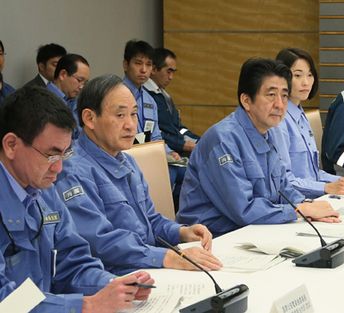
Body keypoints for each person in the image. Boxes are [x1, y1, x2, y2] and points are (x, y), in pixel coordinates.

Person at [0, 86, 153, 313]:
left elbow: (74, 263)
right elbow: (5, 301)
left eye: (65, 154)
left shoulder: (44, 189)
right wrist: (86, 305)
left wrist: (114, 286)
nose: (59, 167)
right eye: (51, 155)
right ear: (11, 145)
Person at [55, 74, 222, 275]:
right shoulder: (72, 172)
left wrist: (182, 232)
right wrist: (166, 257)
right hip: (114, 277)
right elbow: (101, 242)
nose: (131, 125)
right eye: (120, 115)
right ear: (89, 118)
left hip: (150, 265)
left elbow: (151, 220)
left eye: (134, 114)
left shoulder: (128, 160)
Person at [177, 58, 341, 237]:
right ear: (246, 100)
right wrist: (298, 210)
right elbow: (243, 209)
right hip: (213, 238)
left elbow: (283, 188)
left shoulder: (270, 132)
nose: (280, 104)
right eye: (271, 95)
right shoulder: (223, 140)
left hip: (256, 230)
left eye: (284, 95)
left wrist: (308, 206)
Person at [275, 48, 344, 198]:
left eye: (310, 75)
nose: (306, 82)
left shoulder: (301, 115)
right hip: (297, 203)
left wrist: (343, 180)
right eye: (297, 75)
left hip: (314, 198)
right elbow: (285, 181)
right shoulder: (279, 120)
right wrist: (327, 187)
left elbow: (312, 174)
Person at [122, 40, 186, 209]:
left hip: (147, 155)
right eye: (138, 63)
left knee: (180, 170)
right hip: (125, 157)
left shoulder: (150, 99)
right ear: (125, 64)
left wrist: (169, 152)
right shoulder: (115, 95)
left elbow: (155, 135)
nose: (143, 70)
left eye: (148, 65)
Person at [145, 48, 200, 155]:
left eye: (173, 73)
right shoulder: (146, 96)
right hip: (161, 153)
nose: (171, 77)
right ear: (154, 70)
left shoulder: (165, 96)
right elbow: (151, 132)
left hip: (176, 149)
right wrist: (181, 144)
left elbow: (178, 128)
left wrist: (197, 141)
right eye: (168, 72)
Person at [47, 53, 89, 138]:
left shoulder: (77, 101)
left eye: (85, 83)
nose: (82, 87)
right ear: (63, 74)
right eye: (79, 80)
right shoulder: (44, 100)